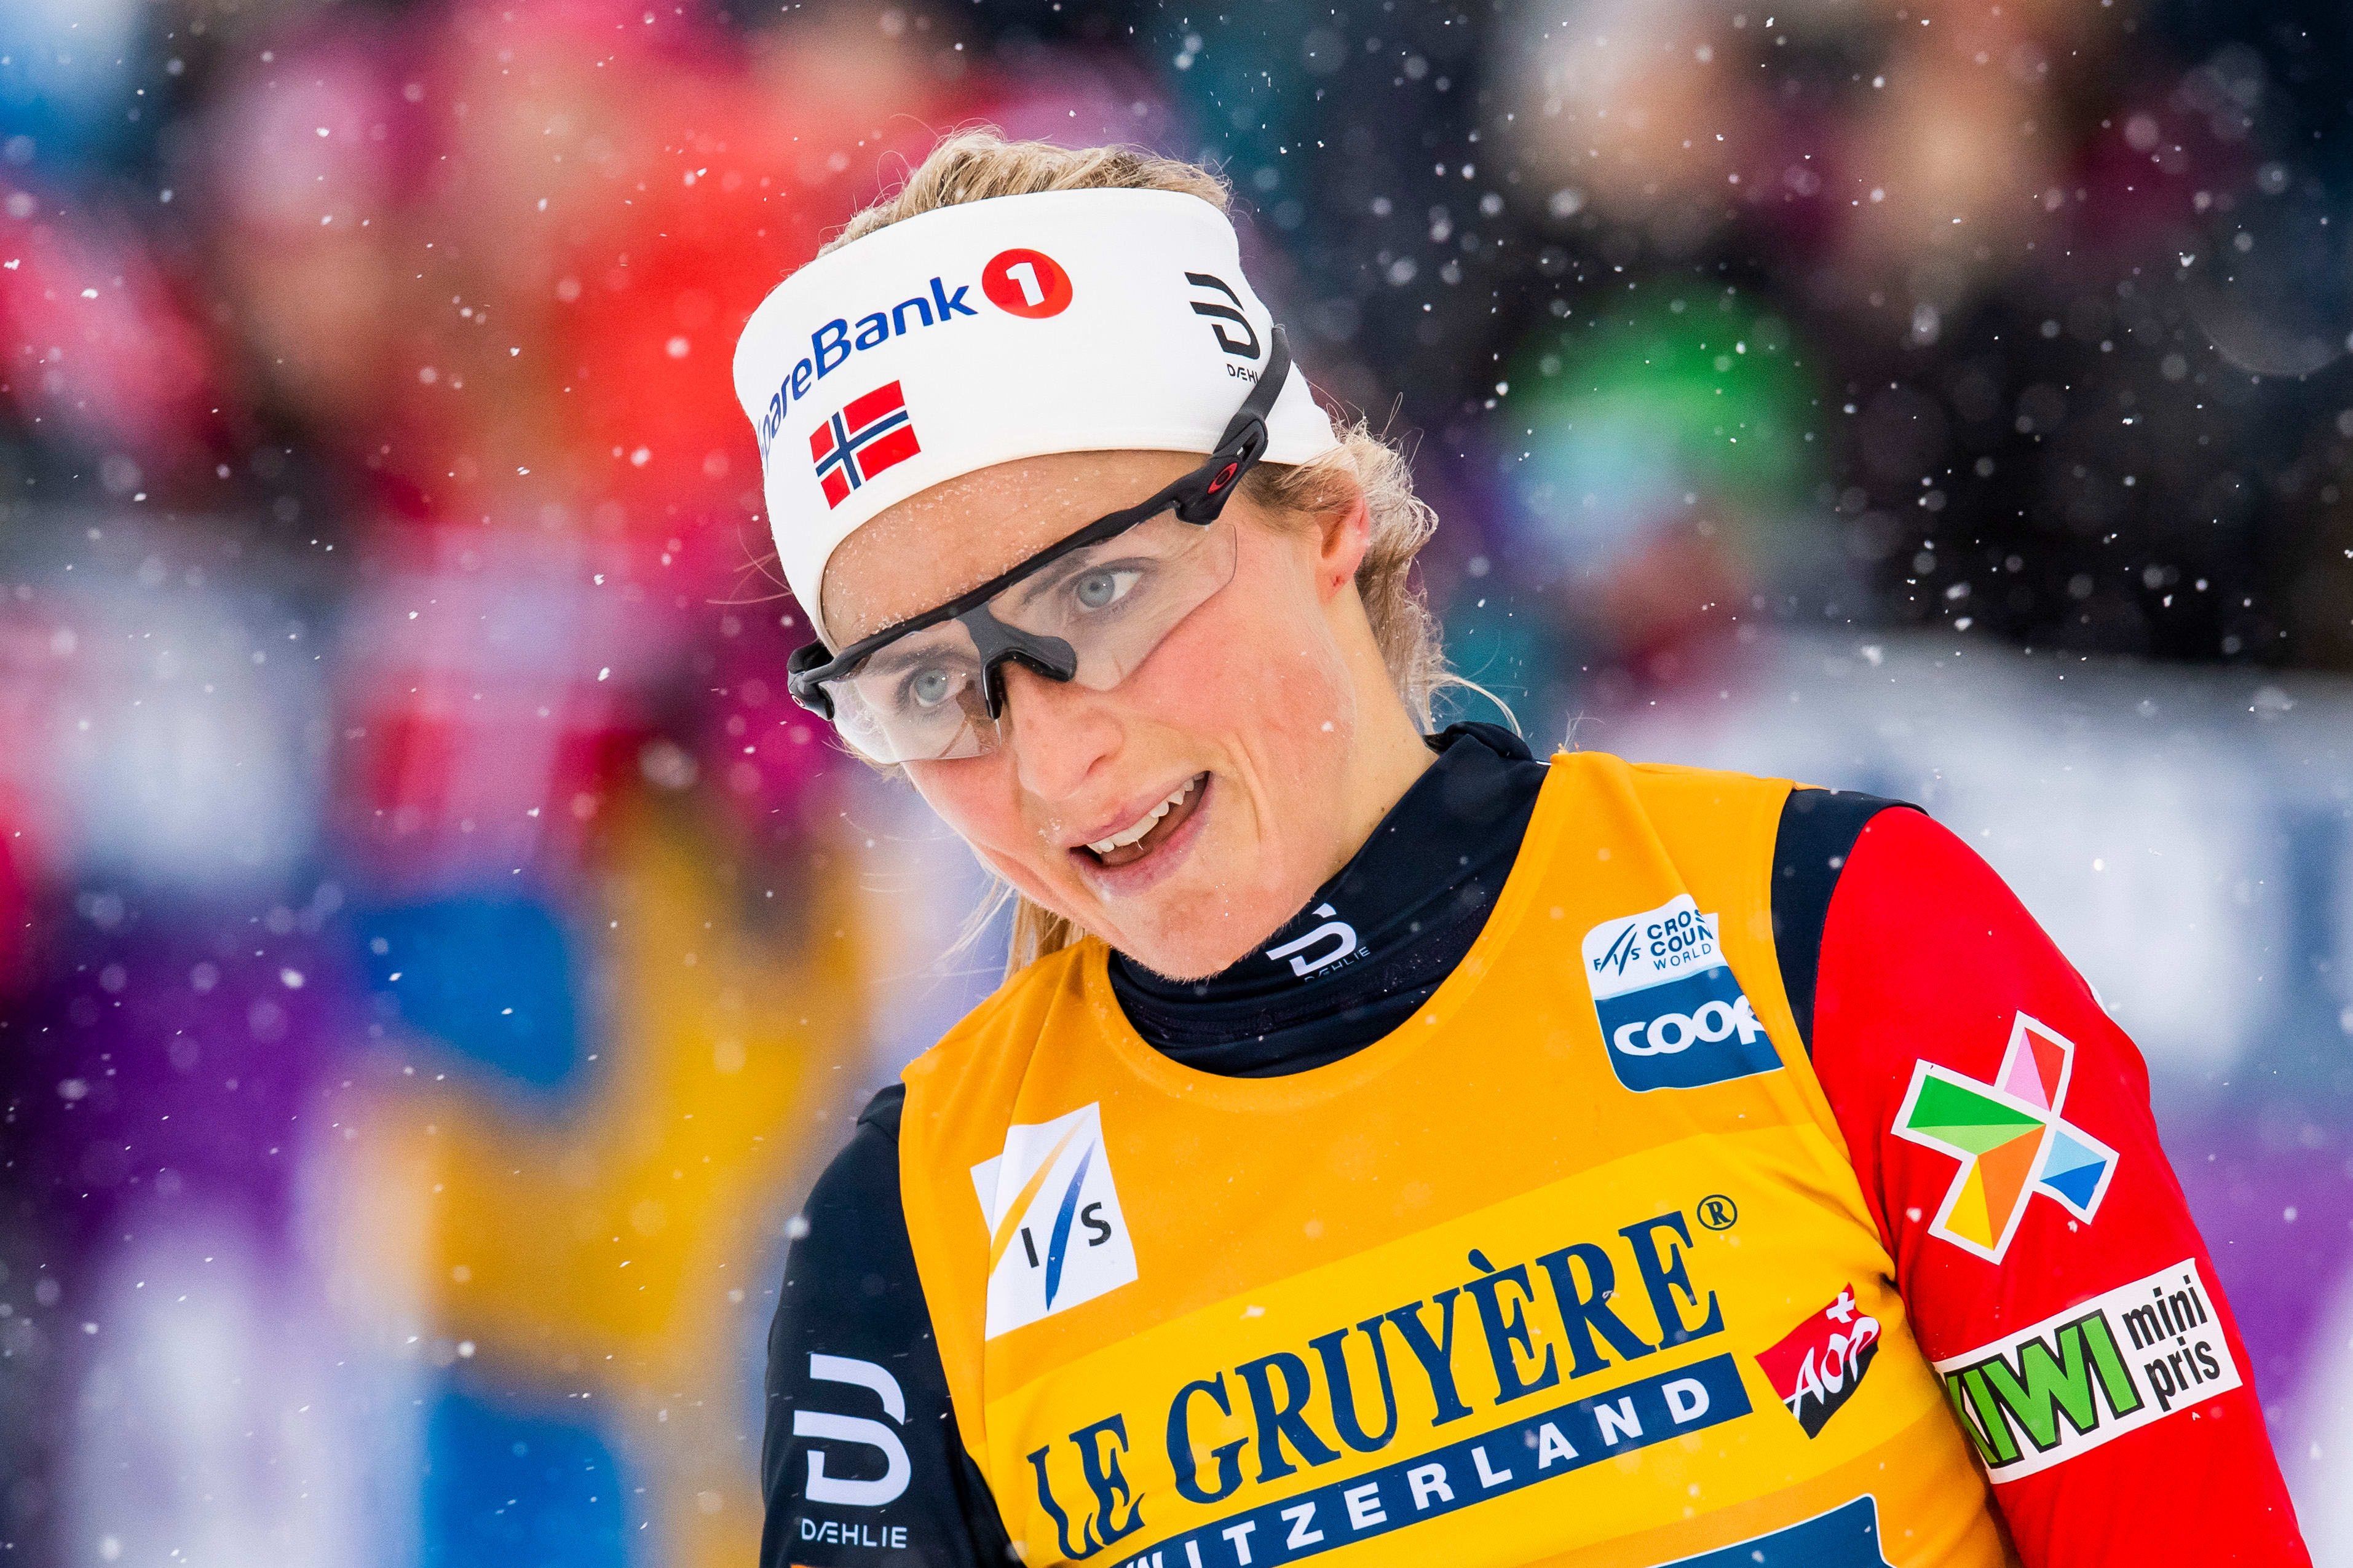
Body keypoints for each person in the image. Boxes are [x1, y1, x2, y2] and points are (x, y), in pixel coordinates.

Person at [730, 133, 2308, 1567]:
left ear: (1323, 514)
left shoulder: (1843, 940)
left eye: (1102, 591)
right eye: (927, 686)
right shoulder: (909, 1243)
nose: (1050, 756)